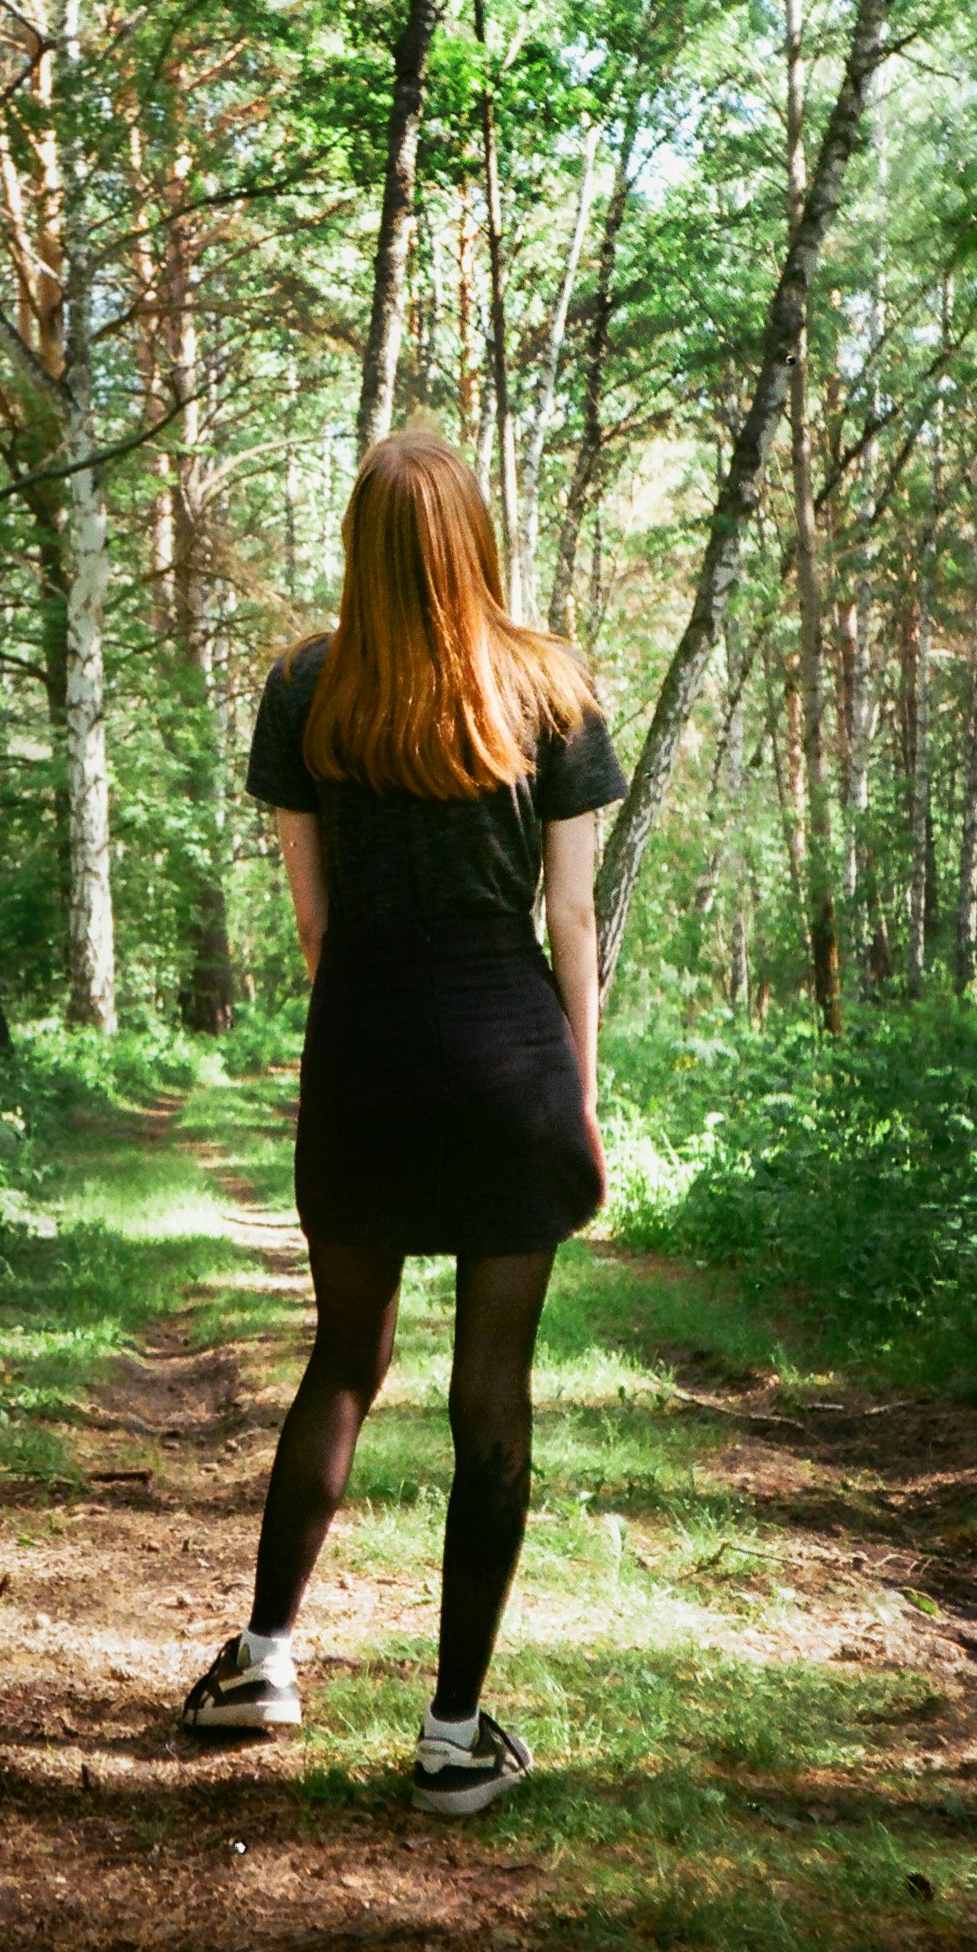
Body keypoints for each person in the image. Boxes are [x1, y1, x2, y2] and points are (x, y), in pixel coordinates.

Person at [179, 429, 626, 1816]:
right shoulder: (548, 685)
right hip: (508, 1055)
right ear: (474, 538)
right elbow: (568, 918)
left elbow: (313, 922)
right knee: (493, 1391)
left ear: (362, 545)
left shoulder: (306, 690)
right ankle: (452, 1737)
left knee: (344, 1358)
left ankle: (264, 1661)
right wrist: (581, 1087)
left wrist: (377, 1025)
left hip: (367, 1045)